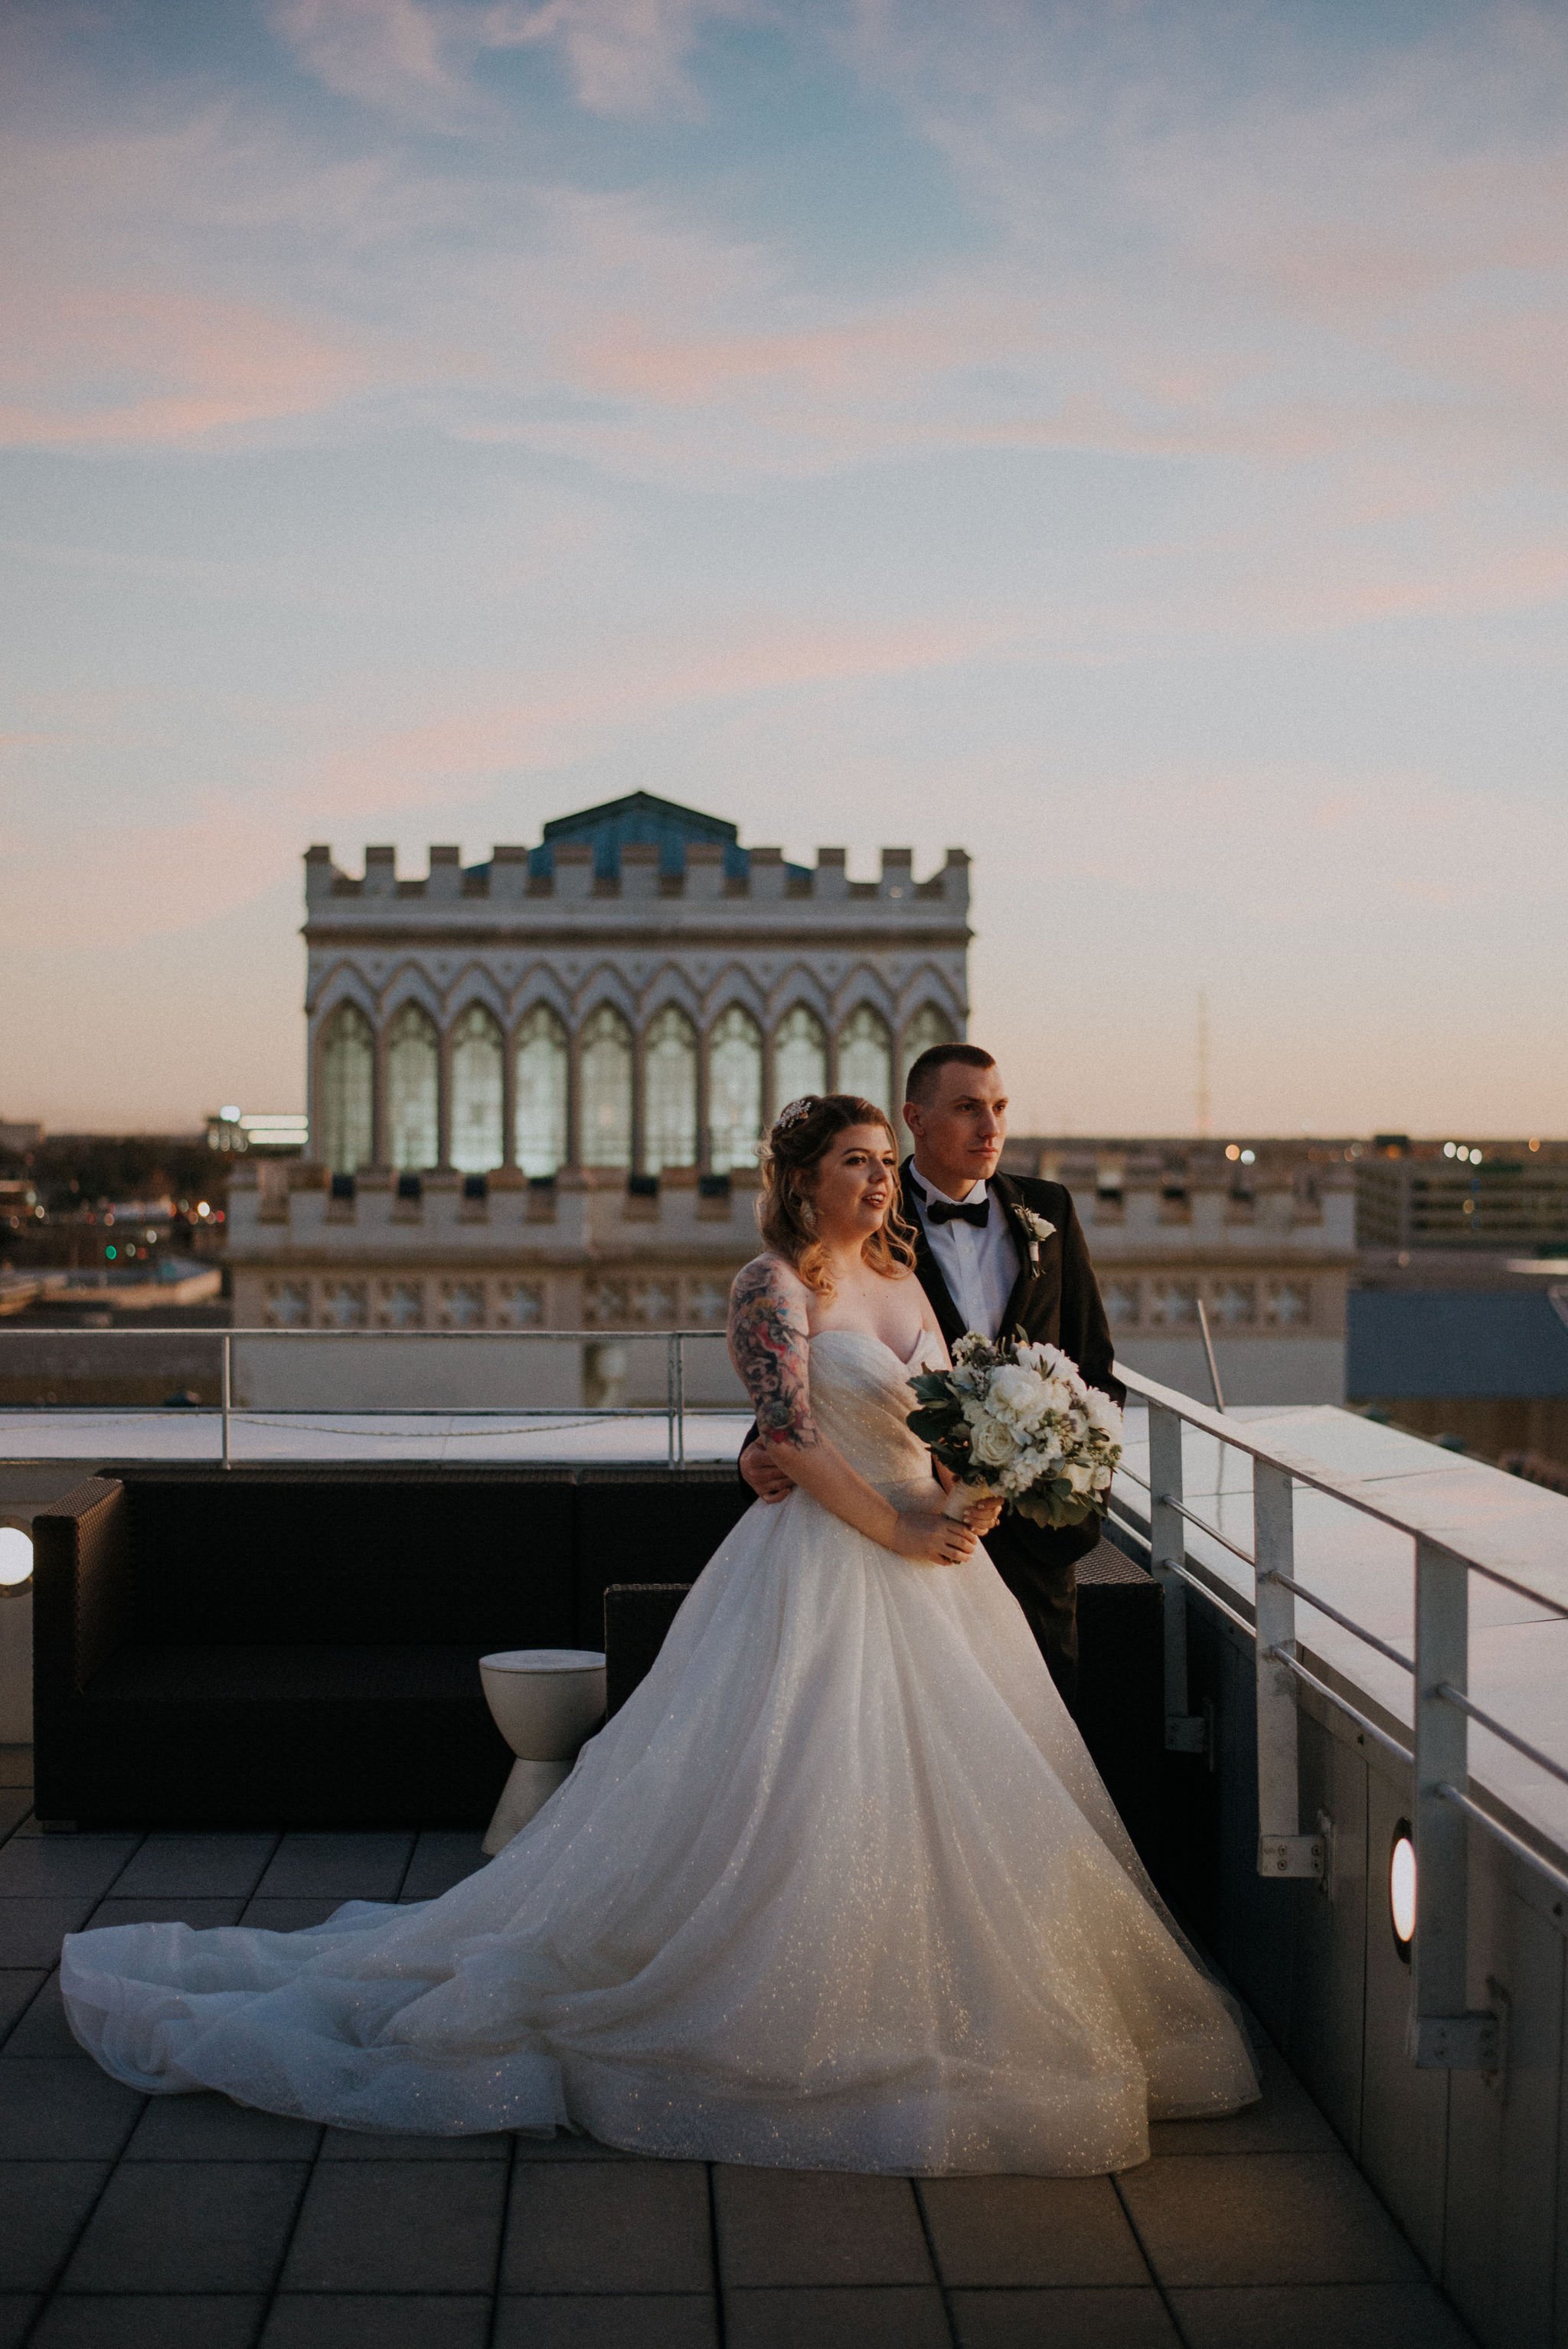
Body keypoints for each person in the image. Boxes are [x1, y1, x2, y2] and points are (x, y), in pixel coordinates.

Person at [59, 1093, 1256, 2176]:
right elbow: (785, 1441)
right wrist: (894, 1527)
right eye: (857, 1162)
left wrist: (973, 1491)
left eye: (888, 1162)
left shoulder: (902, 1284)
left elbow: (939, 1430)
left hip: (935, 1567)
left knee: (955, 1794)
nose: (881, 1182)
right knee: (800, 1787)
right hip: (829, 1564)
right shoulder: (770, 1288)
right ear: (801, 1181)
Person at [742, 1044, 1116, 1711]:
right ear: (917, 1117)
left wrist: (1063, 1489)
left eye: (999, 1108)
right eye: (968, 1108)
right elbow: (817, 1382)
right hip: (864, 1532)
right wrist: (758, 1448)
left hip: (1015, 1525)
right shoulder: (874, 1227)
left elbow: (1091, 1366)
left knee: (1033, 1716)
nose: (990, 1127)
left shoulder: (1048, 1211)